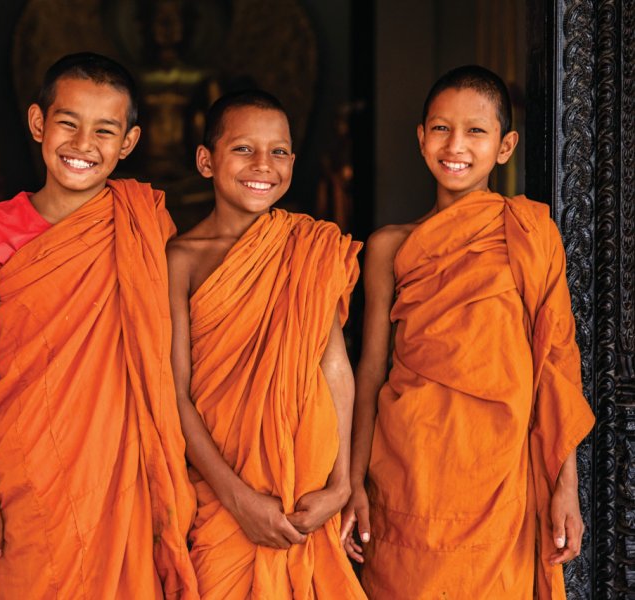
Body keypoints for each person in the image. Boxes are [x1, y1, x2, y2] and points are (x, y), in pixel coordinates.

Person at [340, 64, 596, 599]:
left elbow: (554, 365)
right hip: (408, 465)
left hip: (498, 474)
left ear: (505, 147)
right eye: (440, 128)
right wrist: (352, 481)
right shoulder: (389, 245)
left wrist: (565, 487)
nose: (455, 145)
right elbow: (369, 370)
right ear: (420, 137)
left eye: (476, 131)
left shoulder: (530, 234)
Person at [0, 52, 198, 598]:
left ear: (128, 144)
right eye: (68, 122)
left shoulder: (147, 226)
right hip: (23, 469)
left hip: (118, 471)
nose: (83, 144)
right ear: (39, 123)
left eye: (104, 130)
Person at [167, 90, 366, 599]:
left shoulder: (311, 246)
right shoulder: (180, 260)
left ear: (293, 161)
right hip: (217, 497)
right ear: (205, 160)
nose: (264, 165)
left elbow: (335, 367)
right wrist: (239, 501)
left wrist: (340, 485)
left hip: (305, 496)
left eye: (278, 152)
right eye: (243, 149)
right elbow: (175, 394)